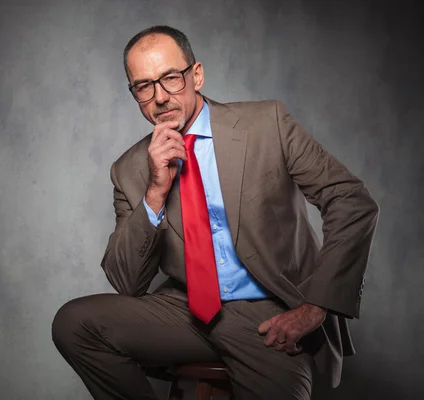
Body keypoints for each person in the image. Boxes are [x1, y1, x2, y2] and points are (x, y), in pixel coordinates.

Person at [52, 25, 379, 399]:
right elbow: (127, 281)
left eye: (170, 78)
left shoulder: (266, 124)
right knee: (74, 324)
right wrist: (156, 191)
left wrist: (316, 307)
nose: (159, 98)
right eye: (144, 87)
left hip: (268, 312)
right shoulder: (128, 169)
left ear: (196, 75)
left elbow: (351, 200)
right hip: (185, 313)